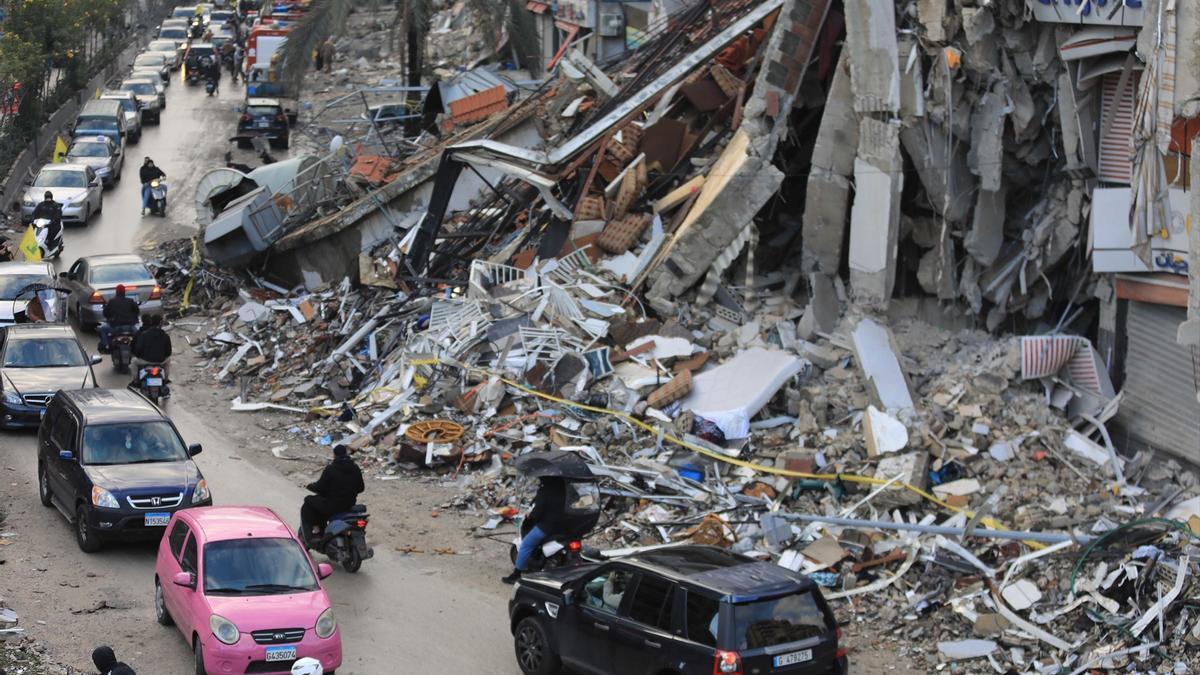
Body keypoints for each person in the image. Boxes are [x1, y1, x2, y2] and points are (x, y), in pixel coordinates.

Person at [502, 476, 571, 584]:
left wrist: (530, 516)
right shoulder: (567, 490)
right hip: (564, 526)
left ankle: (516, 575)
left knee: (526, 545)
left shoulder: (545, 491)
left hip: (548, 527)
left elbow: (537, 511)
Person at [301, 444, 364, 544]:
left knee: (308, 500)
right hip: (349, 505)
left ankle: (316, 529)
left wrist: (309, 486)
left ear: (334, 455)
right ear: (346, 454)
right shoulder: (355, 468)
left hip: (332, 506)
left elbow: (320, 487)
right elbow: (361, 488)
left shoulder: (331, 469)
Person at [132, 314, 172, 391]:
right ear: (160, 323)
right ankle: (166, 380)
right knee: (168, 360)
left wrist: (139, 355)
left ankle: (135, 381)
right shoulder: (165, 335)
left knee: (134, 361)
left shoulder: (144, 334)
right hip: (160, 361)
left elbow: (138, 349)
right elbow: (168, 352)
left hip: (145, 361)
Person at [97, 284, 139, 353]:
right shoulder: (130, 301)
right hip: (130, 327)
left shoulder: (111, 301)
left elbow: (105, 313)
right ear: (124, 292)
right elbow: (137, 312)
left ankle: (106, 346)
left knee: (102, 329)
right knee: (139, 335)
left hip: (115, 327)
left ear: (116, 292)